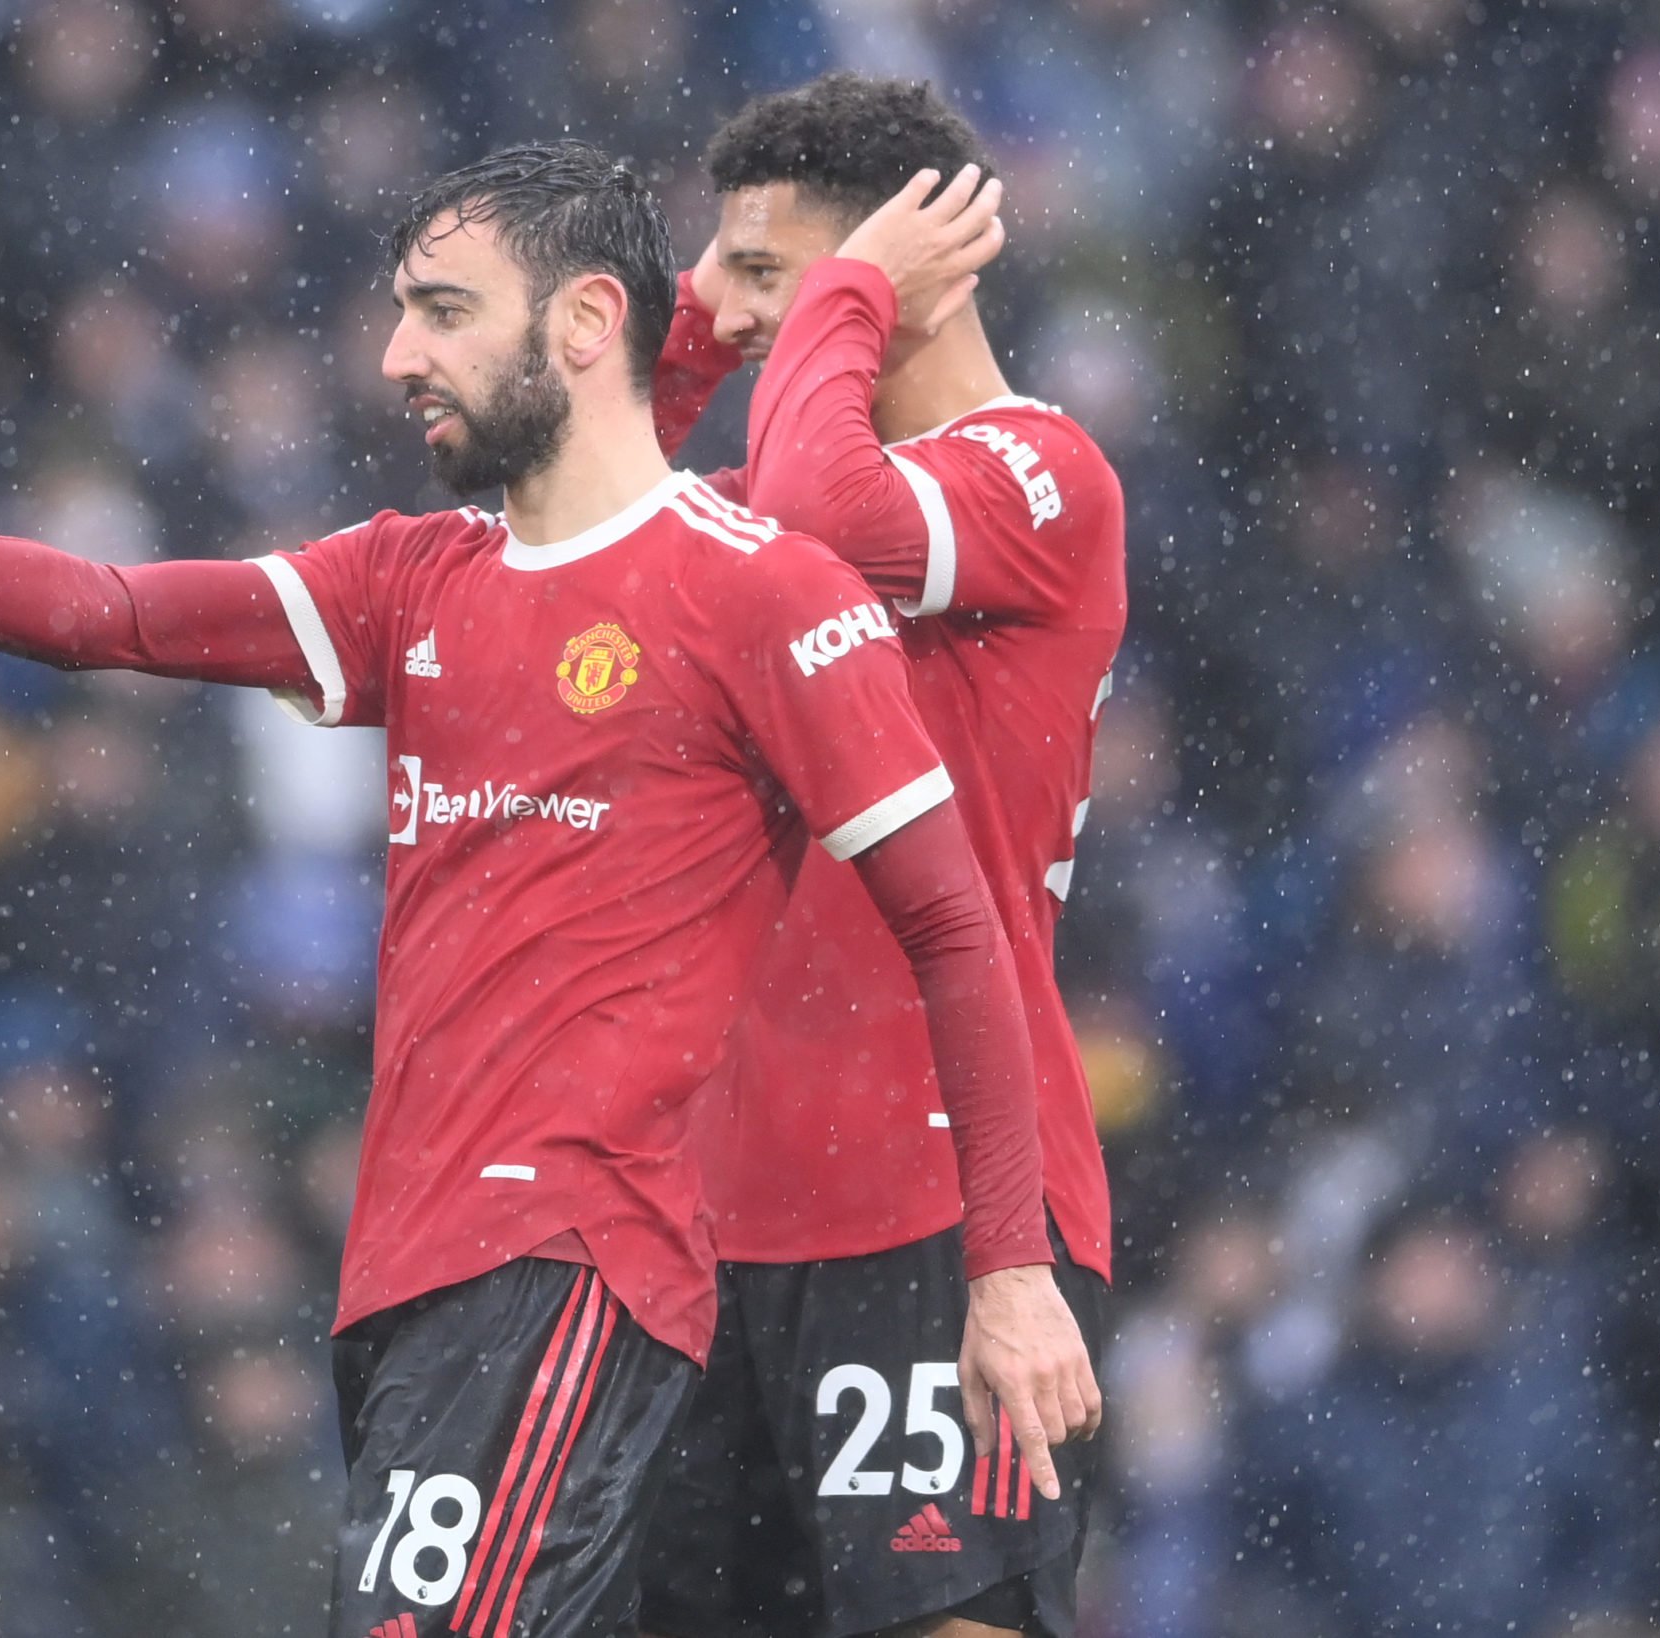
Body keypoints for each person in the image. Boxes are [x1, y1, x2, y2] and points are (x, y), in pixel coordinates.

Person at [0, 141, 1083, 1638]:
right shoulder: (411, 579)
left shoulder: (763, 589)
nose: (399, 355)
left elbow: (953, 925)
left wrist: (1008, 1268)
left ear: (585, 324)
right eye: (402, 311)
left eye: (444, 309)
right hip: (408, 1275)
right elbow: (117, 614)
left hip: (572, 1262)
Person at [638, 75, 1122, 1638]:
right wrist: (706, 324)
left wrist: (835, 296)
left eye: (770, 277)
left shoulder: (1043, 477)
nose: (746, 314)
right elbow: (577, 517)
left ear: (915, 267)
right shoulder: (744, 505)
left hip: (946, 1199)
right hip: (717, 1213)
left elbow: (812, 500)